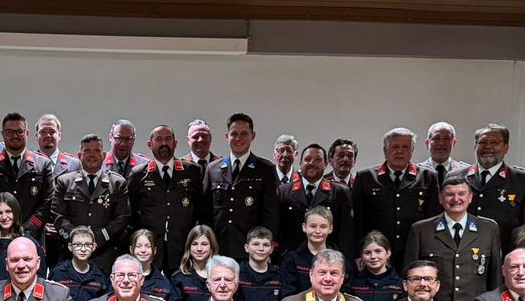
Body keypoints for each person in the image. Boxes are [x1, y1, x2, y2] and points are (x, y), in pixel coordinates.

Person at [403, 174, 502, 301]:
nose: (456, 199)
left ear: (470, 197)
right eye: (449, 194)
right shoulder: (421, 230)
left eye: (461, 194)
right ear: (440, 198)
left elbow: (495, 278)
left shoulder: (488, 229)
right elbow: (409, 275)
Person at [351, 128, 441, 269]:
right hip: (376, 255)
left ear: (412, 150)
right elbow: (357, 222)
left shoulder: (428, 177)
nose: (400, 151)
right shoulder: (366, 177)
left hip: (415, 252)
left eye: (405, 147)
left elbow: (434, 219)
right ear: (385, 150)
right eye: (395, 147)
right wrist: (358, 253)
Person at [128, 124, 205, 275]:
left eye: (168, 139)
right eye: (158, 139)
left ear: (175, 143)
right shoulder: (138, 174)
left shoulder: (191, 170)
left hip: (182, 247)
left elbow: (201, 210)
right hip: (149, 249)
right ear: (150, 144)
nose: (164, 143)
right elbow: (131, 214)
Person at [0, 112, 55, 244]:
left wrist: (28, 228)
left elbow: (48, 201)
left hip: (32, 236)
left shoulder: (42, 164)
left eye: (19, 131)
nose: (15, 136)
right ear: (2, 134)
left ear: (27, 133)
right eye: (9, 132)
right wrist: (0, 223)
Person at [205, 113, 280, 259]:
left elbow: (271, 214)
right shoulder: (213, 169)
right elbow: (206, 212)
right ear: (227, 136)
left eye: (244, 134)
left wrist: (267, 249)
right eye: (234, 134)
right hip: (219, 249)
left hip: (252, 251)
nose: (238, 138)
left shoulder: (265, 169)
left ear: (253, 136)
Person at [51, 134, 130, 269]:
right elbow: (57, 215)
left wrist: (97, 238)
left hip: (105, 254)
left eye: (97, 150)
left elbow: (122, 218)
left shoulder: (117, 183)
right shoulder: (65, 182)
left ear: (104, 155)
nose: (92, 155)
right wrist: (77, 239)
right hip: (71, 255)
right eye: (87, 150)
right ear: (79, 155)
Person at [279, 142, 356, 260]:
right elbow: (277, 227)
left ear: (326, 164)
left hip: (329, 259)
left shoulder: (340, 192)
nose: (312, 163)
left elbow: (346, 233)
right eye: (307, 159)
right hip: (292, 259)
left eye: (318, 160)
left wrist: (345, 261)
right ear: (300, 163)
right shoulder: (284, 191)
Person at [466, 123, 525, 252]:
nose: (488, 147)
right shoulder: (458, 176)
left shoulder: (522, 179)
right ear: (475, 146)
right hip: (464, 254)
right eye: (482, 142)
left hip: (504, 253)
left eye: (495, 143)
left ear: (506, 148)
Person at [0, 192, 46, 289]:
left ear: (16, 212)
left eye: (8, 211)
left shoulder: (29, 241)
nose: (4, 217)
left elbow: (41, 277)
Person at [49, 226, 109, 301]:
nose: (83, 249)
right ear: (70, 247)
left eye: (87, 245)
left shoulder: (100, 276)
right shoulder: (58, 273)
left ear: (93, 247)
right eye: (77, 245)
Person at [342, 231, 405, 301]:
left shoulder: (400, 284)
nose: (373, 256)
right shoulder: (353, 283)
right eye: (367, 253)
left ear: (388, 253)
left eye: (378, 251)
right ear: (361, 256)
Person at [280, 205, 335, 299]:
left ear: (330, 228)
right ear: (304, 227)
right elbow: (288, 293)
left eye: (323, 227)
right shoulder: (292, 258)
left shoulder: (339, 259)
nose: (318, 231)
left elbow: (344, 291)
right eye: (313, 226)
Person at [236, 227, 283, 301]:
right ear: (246, 247)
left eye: (265, 245)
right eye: (256, 244)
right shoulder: (237, 274)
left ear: (271, 249)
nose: (261, 249)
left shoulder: (278, 276)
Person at [171, 224, 217, 301]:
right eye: (195, 244)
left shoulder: (220, 276)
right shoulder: (179, 277)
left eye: (204, 244)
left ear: (212, 247)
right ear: (189, 247)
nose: (199, 249)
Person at [130, 229, 179, 301]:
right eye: (138, 246)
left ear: (154, 250)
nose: (143, 250)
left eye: (148, 246)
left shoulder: (163, 283)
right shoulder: (120, 278)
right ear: (131, 249)